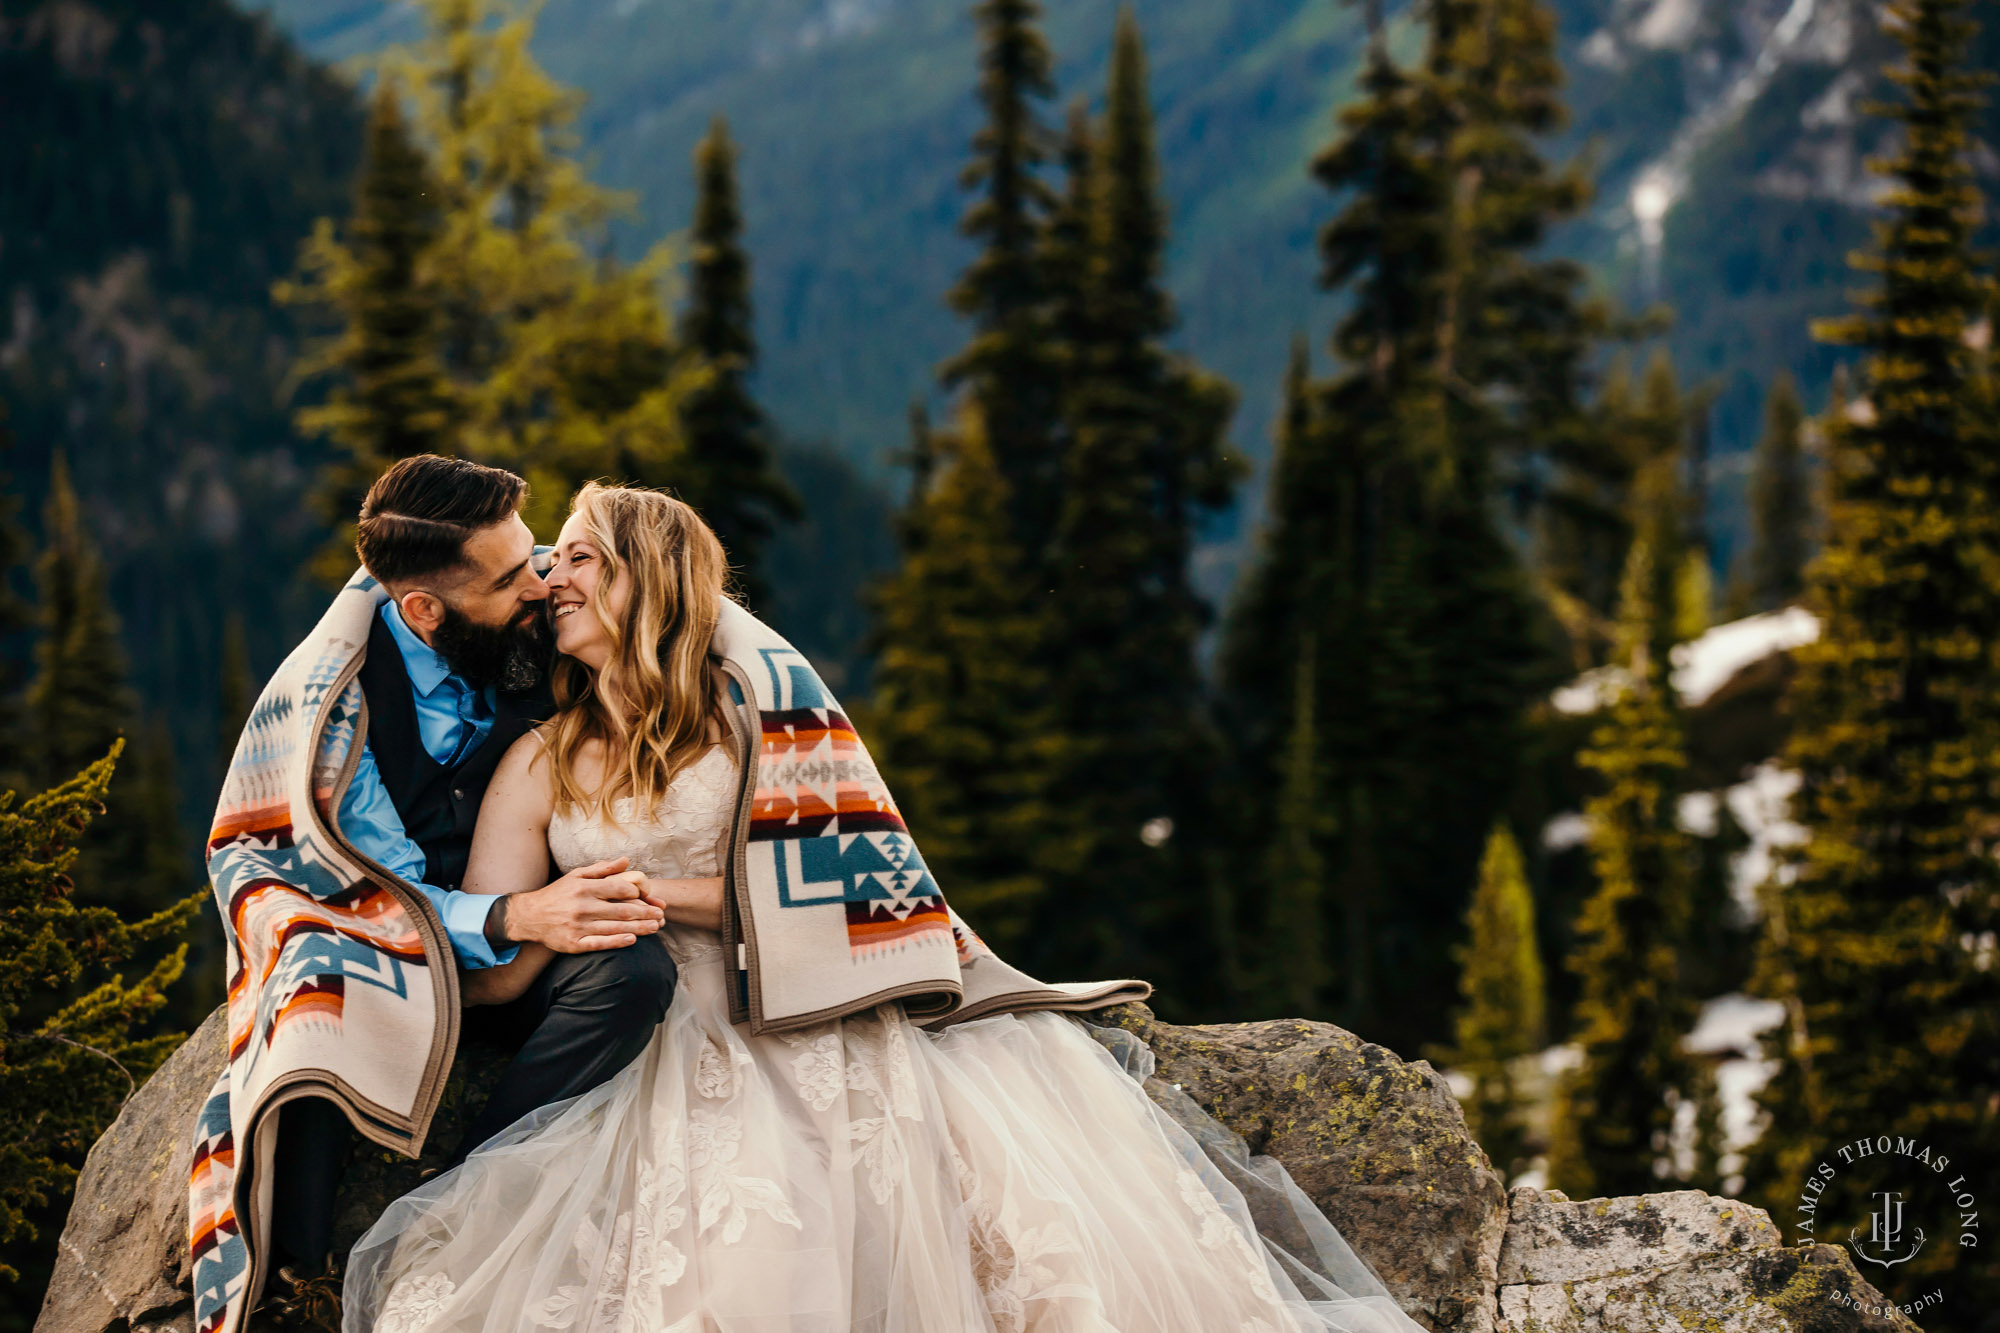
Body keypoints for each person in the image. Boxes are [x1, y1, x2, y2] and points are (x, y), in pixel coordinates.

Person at [339, 481, 1430, 1333]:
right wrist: (535, 921)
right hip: (655, 1039)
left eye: (578, 553)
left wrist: (645, 893)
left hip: (806, 1009)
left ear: (651, 580)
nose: (548, 574)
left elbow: (857, 883)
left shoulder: (751, 723)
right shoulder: (538, 762)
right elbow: (500, 965)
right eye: (550, 554)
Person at [258, 458, 685, 1323]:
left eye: (538, 555)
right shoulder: (344, 708)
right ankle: (292, 1283)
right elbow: (382, 890)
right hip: (398, 953)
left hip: (526, 945)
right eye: (515, 574)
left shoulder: (531, 626)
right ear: (425, 610)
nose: (542, 584)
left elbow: (659, 617)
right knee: (312, 997)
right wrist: (517, 914)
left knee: (633, 973)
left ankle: (468, 1194)